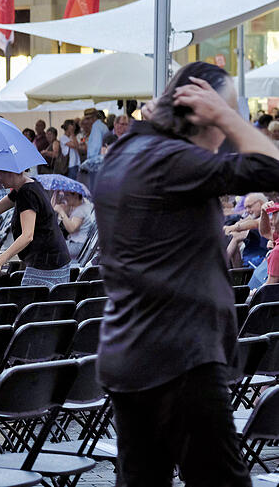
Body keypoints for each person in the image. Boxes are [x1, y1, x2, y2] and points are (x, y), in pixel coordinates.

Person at [93, 62, 279, 486]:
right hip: (181, 357)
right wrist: (227, 116)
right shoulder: (172, 161)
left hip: (132, 353)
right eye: (226, 113)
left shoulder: (126, 153)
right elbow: (273, 168)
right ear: (202, 110)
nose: (231, 132)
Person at [0, 169, 70, 287]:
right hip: (52, 258)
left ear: (10, 172)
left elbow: (27, 236)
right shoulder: (26, 187)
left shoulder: (26, 193)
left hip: (47, 262)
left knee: (33, 302)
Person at [52, 190, 96, 260]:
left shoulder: (80, 210)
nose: (65, 198)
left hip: (77, 246)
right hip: (83, 245)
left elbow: (72, 229)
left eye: (67, 195)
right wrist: (56, 195)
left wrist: (61, 212)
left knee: (50, 247)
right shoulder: (86, 205)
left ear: (75, 195)